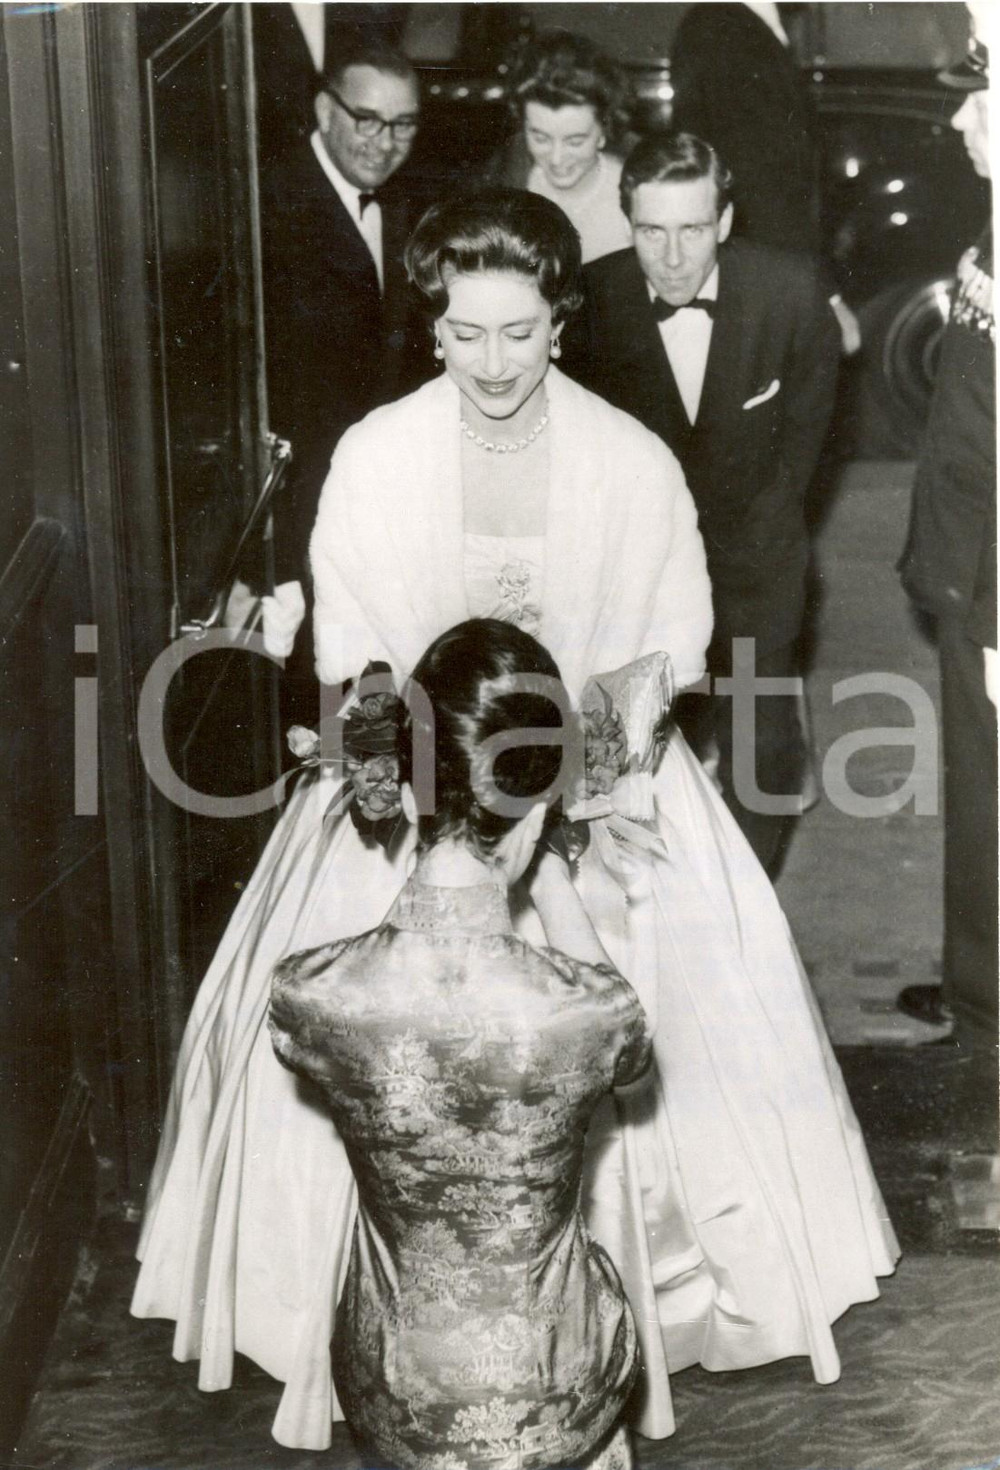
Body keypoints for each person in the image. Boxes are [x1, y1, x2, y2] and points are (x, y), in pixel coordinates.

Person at [132, 187, 898, 1452]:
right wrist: (436, 799)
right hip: (419, 794)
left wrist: (576, 788)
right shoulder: (375, 456)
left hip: (595, 789)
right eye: (465, 333)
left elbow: (671, 636)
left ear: (561, 322)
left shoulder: (629, 458)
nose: (493, 362)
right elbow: (363, 649)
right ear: (432, 327)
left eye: (521, 332)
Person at [269, 617, 650, 1470]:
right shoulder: (586, 1011)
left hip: (388, 1386)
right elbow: (632, 1053)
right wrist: (548, 869)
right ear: (539, 806)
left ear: (404, 791)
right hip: (559, 1390)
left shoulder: (310, 993)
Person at [566, 132, 840, 872]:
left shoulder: (790, 293)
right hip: (636, 570)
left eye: (693, 229)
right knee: (613, 756)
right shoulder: (592, 302)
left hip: (755, 557)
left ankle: (750, 906)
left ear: (723, 221)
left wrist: (768, 519)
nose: (674, 255)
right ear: (628, 224)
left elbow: (810, 428)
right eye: (652, 231)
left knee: (761, 752)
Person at [897, 17, 997, 1036]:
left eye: (986, 81)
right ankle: (981, 985)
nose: (964, 113)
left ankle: (988, 1012)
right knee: (977, 796)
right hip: (969, 573)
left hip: (997, 587)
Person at [260, 36, 425, 589]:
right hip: (302, 506)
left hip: (381, 490)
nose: (386, 144)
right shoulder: (270, 207)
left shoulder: (404, 198)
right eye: (368, 120)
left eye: (403, 124)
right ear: (326, 111)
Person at [667, 1, 860, 354]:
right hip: (760, 281)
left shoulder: (730, 24)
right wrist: (823, 296)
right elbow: (766, 185)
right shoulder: (730, 32)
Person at [481, 29, 634, 264]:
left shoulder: (638, 194)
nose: (556, 159)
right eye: (540, 137)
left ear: (605, 131)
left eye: (575, 141)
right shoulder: (502, 186)